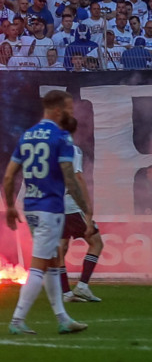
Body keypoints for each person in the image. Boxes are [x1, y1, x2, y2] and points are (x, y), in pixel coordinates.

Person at [3, 89, 89, 334]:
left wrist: (9, 206)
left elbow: (9, 176)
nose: (72, 114)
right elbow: (70, 179)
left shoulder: (27, 136)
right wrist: (86, 209)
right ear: (59, 110)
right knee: (39, 266)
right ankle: (17, 320)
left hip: (31, 207)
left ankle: (62, 318)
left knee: (52, 262)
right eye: (70, 110)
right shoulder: (61, 138)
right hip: (50, 209)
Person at [56, 112, 102, 304]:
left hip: (52, 205)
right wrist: (87, 205)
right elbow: (78, 177)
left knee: (61, 247)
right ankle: (82, 286)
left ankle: (66, 293)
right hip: (71, 205)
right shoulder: (72, 150)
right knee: (96, 242)